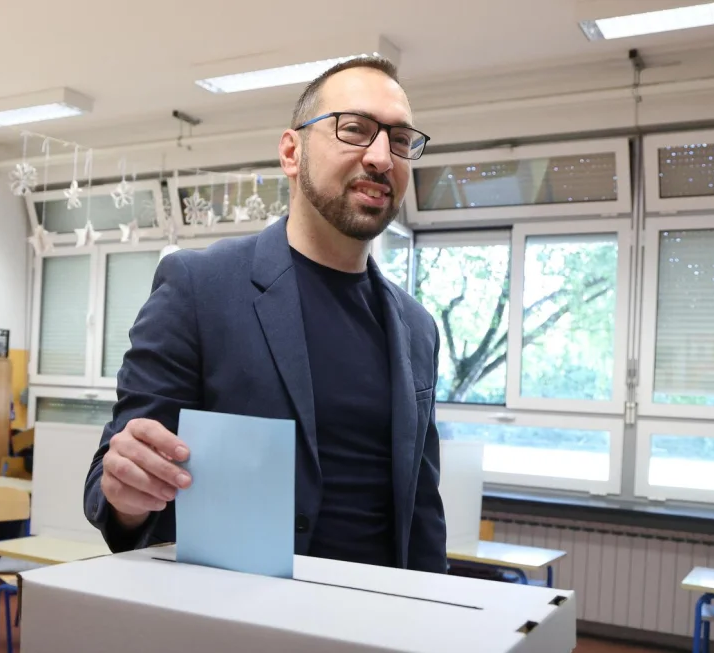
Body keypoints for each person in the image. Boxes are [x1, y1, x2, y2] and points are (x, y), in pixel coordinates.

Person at [82, 55, 447, 573]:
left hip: (378, 624)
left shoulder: (417, 328)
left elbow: (421, 509)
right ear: (291, 152)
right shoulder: (199, 287)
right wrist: (126, 489)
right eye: (356, 130)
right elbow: (114, 482)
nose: (383, 157)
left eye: (402, 139)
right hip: (236, 623)